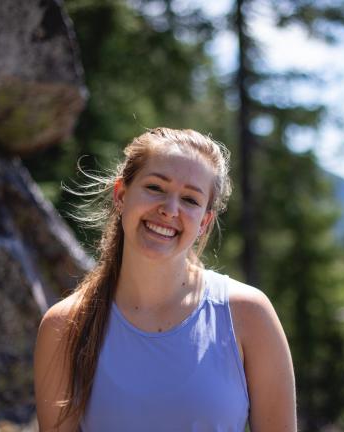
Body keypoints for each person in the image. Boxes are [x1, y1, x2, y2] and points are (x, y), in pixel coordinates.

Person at [34, 128, 296, 431]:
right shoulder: (65, 326)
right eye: (156, 187)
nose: (170, 210)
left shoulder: (247, 314)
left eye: (190, 199)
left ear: (204, 222)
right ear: (121, 195)